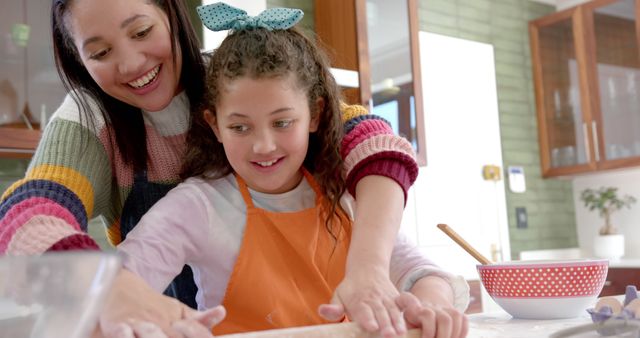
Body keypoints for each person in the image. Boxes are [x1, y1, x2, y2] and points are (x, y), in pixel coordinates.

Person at [0, 0, 425, 336]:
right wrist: (106, 288)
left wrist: (368, 270)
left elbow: (373, 144)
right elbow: (27, 215)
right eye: (101, 51)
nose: (131, 64)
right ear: (78, 60)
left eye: (142, 32)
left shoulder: (233, 75)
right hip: (149, 318)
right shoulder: (88, 118)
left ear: (170, 14)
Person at [117, 3, 469, 338]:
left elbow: (420, 273)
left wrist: (430, 306)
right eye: (240, 127)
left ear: (314, 115)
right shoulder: (197, 206)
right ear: (215, 126)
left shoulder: (345, 194)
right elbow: (117, 281)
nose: (264, 146)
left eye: (282, 122)